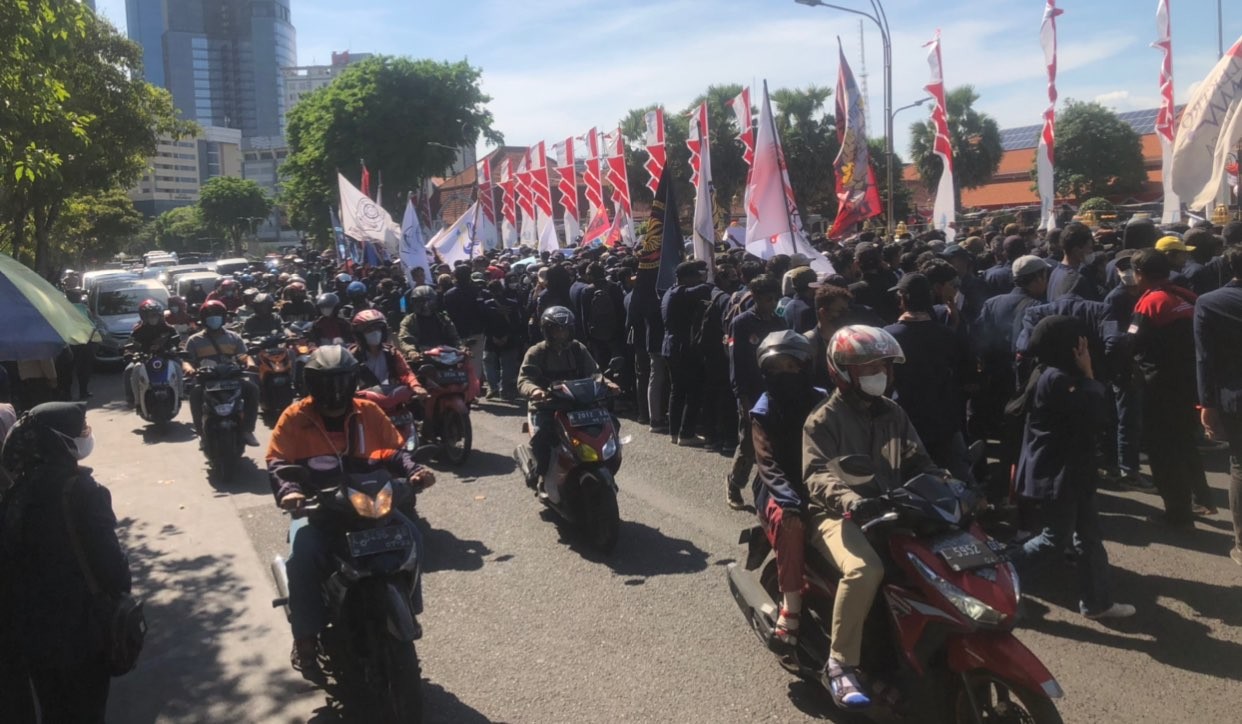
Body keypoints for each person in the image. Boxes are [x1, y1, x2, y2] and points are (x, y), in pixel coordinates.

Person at [265, 346, 435, 677]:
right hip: (321, 512)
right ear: (311, 383)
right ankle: (306, 640)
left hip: (371, 505)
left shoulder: (368, 411)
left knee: (412, 535)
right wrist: (290, 491)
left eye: (341, 382)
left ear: (353, 380)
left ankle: (409, 605)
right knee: (302, 559)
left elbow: (394, 450)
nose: (335, 391)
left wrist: (414, 470)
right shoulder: (295, 417)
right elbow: (278, 460)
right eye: (326, 383)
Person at [802, 325, 942, 710]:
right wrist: (850, 499)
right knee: (866, 570)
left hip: (892, 509)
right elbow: (817, 475)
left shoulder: (894, 412)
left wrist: (953, 487)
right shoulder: (822, 420)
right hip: (835, 515)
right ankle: (840, 664)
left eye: (883, 366)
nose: (879, 373)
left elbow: (921, 461)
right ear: (843, 372)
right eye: (868, 368)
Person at [0, 402, 130, 723]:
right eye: (81, 430)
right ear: (60, 441)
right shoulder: (83, 492)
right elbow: (114, 570)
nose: (86, 434)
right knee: (86, 711)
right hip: (81, 637)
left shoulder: (17, 491)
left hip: (32, 635)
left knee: (54, 710)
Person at [1009, 316, 1136, 619]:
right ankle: (999, 574)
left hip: (1071, 470)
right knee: (1055, 539)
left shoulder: (1048, 371)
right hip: (1060, 472)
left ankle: (1097, 601)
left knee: (1088, 535)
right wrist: (1090, 373)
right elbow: (1095, 416)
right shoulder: (1058, 379)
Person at [749, 331, 827, 651]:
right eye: (776, 367)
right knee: (791, 524)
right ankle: (790, 610)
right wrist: (790, 501)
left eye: (790, 366)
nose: (785, 374)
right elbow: (767, 463)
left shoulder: (824, 400)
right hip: (778, 490)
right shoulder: (763, 409)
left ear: (805, 366)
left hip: (821, 484)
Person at [1128, 249, 1209, 526]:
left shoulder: (1150, 303)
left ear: (1141, 274)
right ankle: (1202, 499)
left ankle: (1177, 514)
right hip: (1191, 385)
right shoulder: (1188, 297)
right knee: (1186, 443)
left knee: (1163, 452)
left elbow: (1132, 344)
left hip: (1160, 389)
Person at [884, 273, 975, 484]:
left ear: (903, 299)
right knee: (958, 477)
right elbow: (966, 372)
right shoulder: (946, 334)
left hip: (905, 421)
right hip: (945, 419)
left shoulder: (887, 337)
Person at [517, 306, 613, 489]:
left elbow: (594, 373)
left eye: (565, 329)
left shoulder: (578, 349)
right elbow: (524, 380)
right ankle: (541, 475)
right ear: (547, 331)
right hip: (547, 406)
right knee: (542, 439)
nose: (561, 334)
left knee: (611, 425)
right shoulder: (536, 352)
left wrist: (607, 383)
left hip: (579, 404)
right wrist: (534, 391)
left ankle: (604, 466)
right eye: (556, 329)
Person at [1194, 246, 1242, 565]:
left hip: (1233, 396)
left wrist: (1206, 404)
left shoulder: (1210, 302)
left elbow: (1204, 359)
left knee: (1239, 466)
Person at [727, 275, 788, 508]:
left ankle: (766, 490)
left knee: (773, 443)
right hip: (751, 392)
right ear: (756, 298)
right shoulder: (742, 323)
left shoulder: (779, 323)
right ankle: (734, 483)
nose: (772, 303)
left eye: (775, 299)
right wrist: (741, 396)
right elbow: (737, 362)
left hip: (775, 389)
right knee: (748, 445)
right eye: (768, 299)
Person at [182, 301, 260, 447]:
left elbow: (244, 355)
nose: (214, 319)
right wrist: (189, 368)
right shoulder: (194, 340)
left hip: (232, 379)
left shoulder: (234, 337)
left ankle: (248, 430)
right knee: (195, 394)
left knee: (252, 389)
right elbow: (187, 360)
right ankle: (202, 434)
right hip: (207, 381)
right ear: (203, 319)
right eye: (210, 316)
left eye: (217, 315)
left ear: (223, 318)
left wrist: (250, 363)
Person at [662, 260, 712, 446]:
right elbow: (704, 290)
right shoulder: (680, 292)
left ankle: (675, 432)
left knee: (677, 391)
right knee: (693, 390)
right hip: (683, 347)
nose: (698, 280)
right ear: (686, 278)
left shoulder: (669, 292)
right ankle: (686, 432)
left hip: (670, 346)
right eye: (695, 277)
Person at [123, 299, 180, 407]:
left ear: (160, 315)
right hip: (144, 358)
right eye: (150, 315)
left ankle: (181, 394)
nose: (153, 317)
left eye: (155, 315)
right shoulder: (137, 330)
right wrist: (129, 353)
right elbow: (130, 344)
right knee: (129, 370)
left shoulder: (168, 328)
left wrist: (176, 350)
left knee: (178, 366)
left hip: (166, 356)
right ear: (143, 316)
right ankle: (133, 399)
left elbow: (178, 342)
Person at [349, 310, 423, 393]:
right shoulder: (352, 357)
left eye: (378, 329)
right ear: (359, 334)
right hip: (364, 402)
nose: (375, 332)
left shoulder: (391, 353)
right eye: (369, 330)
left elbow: (405, 373)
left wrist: (416, 386)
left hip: (391, 398)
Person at [482, 279, 526, 401]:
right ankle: (504, 389)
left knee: (488, 363)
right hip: (509, 338)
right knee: (507, 365)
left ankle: (492, 386)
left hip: (491, 339)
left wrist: (492, 337)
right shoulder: (513, 303)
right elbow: (517, 322)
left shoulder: (486, 305)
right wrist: (507, 336)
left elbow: (484, 324)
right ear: (502, 289)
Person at [397, 285, 461, 360]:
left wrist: (460, 348)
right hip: (422, 358)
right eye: (421, 302)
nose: (425, 305)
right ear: (414, 303)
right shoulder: (409, 320)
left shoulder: (443, 318)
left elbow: (454, 336)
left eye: (429, 301)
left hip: (446, 355)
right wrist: (411, 352)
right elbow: (405, 338)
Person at [64, 288, 99, 401]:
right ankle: (83, 392)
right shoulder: (84, 309)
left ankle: (67, 394)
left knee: (68, 370)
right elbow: (93, 325)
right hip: (84, 342)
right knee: (84, 369)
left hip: (69, 343)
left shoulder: (64, 309)